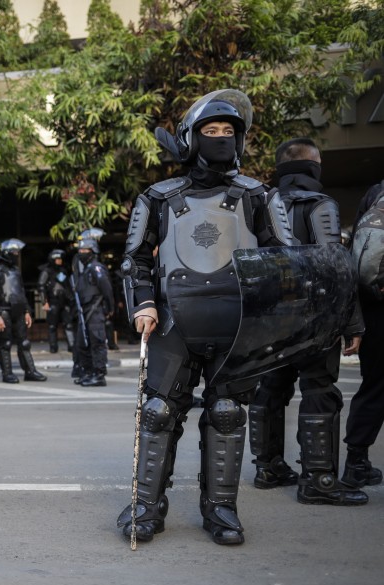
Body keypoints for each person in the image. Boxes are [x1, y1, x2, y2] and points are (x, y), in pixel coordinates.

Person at [115, 89, 297, 546]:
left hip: (237, 324)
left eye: (228, 132)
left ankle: (221, 510)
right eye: (210, 131)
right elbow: (134, 260)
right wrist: (143, 302)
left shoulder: (259, 195)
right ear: (190, 138)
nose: (220, 138)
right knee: (157, 413)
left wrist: (274, 314)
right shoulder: (158, 197)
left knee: (227, 413)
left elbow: (286, 261)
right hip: (173, 321)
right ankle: (145, 506)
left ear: (240, 139)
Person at [247, 138, 367, 505]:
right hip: (316, 315)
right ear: (313, 167)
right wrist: (352, 322)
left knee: (270, 388)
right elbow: (334, 266)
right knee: (319, 390)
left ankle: (268, 467)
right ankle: (318, 480)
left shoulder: (258, 205)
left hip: (268, 317)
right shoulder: (321, 205)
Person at [342, 180, 384, 489]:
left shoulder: (374, 192)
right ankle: (356, 463)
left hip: (374, 308)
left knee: (375, 385)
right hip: (377, 304)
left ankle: (356, 461)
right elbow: (367, 261)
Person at [0, 239, 47, 383]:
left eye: (17, 252)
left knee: (24, 343)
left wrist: (27, 311)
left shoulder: (15, 270)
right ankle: (7, 374)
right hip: (3, 311)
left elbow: (21, 292)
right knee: (5, 344)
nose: (16, 254)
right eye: (14, 252)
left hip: (18, 311)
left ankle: (30, 371)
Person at [70, 236, 114, 387]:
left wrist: (110, 307)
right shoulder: (85, 270)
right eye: (80, 250)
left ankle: (99, 375)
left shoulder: (96, 268)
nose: (81, 252)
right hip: (85, 312)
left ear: (92, 251)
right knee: (82, 344)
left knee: (97, 343)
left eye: (84, 250)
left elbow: (107, 290)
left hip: (95, 311)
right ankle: (88, 373)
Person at [37, 248, 74, 354]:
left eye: (60, 259)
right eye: (57, 259)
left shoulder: (62, 270)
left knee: (68, 325)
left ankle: (71, 345)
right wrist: (45, 302)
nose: (60, 261)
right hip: (53, 301)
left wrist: (71, 299)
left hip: (64, 302)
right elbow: (41, 286)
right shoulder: (46, 271)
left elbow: (67, 286)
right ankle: (53, 347)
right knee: (52, 326)